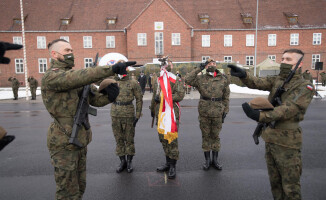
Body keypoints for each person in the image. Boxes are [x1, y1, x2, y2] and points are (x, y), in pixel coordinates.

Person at [41, 39, 134, 199]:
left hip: (79, 140)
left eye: (71, 50)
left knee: (80, 187)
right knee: (67, 193)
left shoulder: (77, 78)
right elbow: (82, 76)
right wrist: (111, 69)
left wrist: (110, 96)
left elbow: (95, 100)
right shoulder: (52, 77)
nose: (71, 53)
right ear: (54, 54)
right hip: (63, 143)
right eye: (67, 50)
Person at [228, 49, 315, 200]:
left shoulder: (305, 87)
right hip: (271, 138)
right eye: (282, 59)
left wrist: (262, 116)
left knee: (290, 187)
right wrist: (244, 75)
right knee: (275, 183)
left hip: (288, 143)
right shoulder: (279, 80)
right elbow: (259, 82)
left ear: (298, 65)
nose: (283, 62)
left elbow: (289, 109)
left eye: (288, 59)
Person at [185, 58, 230, 171]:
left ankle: (215, 160)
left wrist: (225, 111)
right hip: (204, 111)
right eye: (209, 63)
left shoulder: (223, 79)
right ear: (206, 65)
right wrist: (199, 69)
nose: (212, 65)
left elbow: (226, 97)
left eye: (214, 63)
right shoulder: (200, 78)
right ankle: (207, 160)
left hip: (217, 111)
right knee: (205, 136)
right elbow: (187, 80)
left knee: (215, 136)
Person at [150, 58, 185, 179]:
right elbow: (154, 96)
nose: (165, 66)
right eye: (163, 64)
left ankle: (173, 166)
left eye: (168, 63)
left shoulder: (175, 79)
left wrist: (163, 98)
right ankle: (167, 163)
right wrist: (152, 110)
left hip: (171, 114)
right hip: (160, 114)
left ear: (172, 65)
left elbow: (180, 95)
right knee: (163, 139)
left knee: (171, 140)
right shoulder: (158, 79)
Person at [110, 60, 143, 173]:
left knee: (129, 139)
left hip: (128, 113)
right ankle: (122, 161)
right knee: (118, 139)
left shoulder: (133, 82)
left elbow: (139, 99)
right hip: (115, 113)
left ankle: (129, 162)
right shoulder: (112, 81)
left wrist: (137, 115)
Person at [0, 41, 22, 151]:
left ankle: (17, 96)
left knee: (16, 93)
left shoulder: (16, 81)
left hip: (16, 88)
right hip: (14, 88)